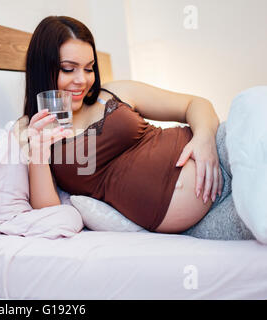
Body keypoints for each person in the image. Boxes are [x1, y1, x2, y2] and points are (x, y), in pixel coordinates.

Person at [18, 16, 265, 241]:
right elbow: (49, 216)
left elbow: (195, 104)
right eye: (69, 69)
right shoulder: (35, 132)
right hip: (202, 221)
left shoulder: (114, 94)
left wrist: (204, 140)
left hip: (222, 155)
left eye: (89, 68)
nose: (82, 80)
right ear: (44, 67)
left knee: (254, 101)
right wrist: (37, 150)